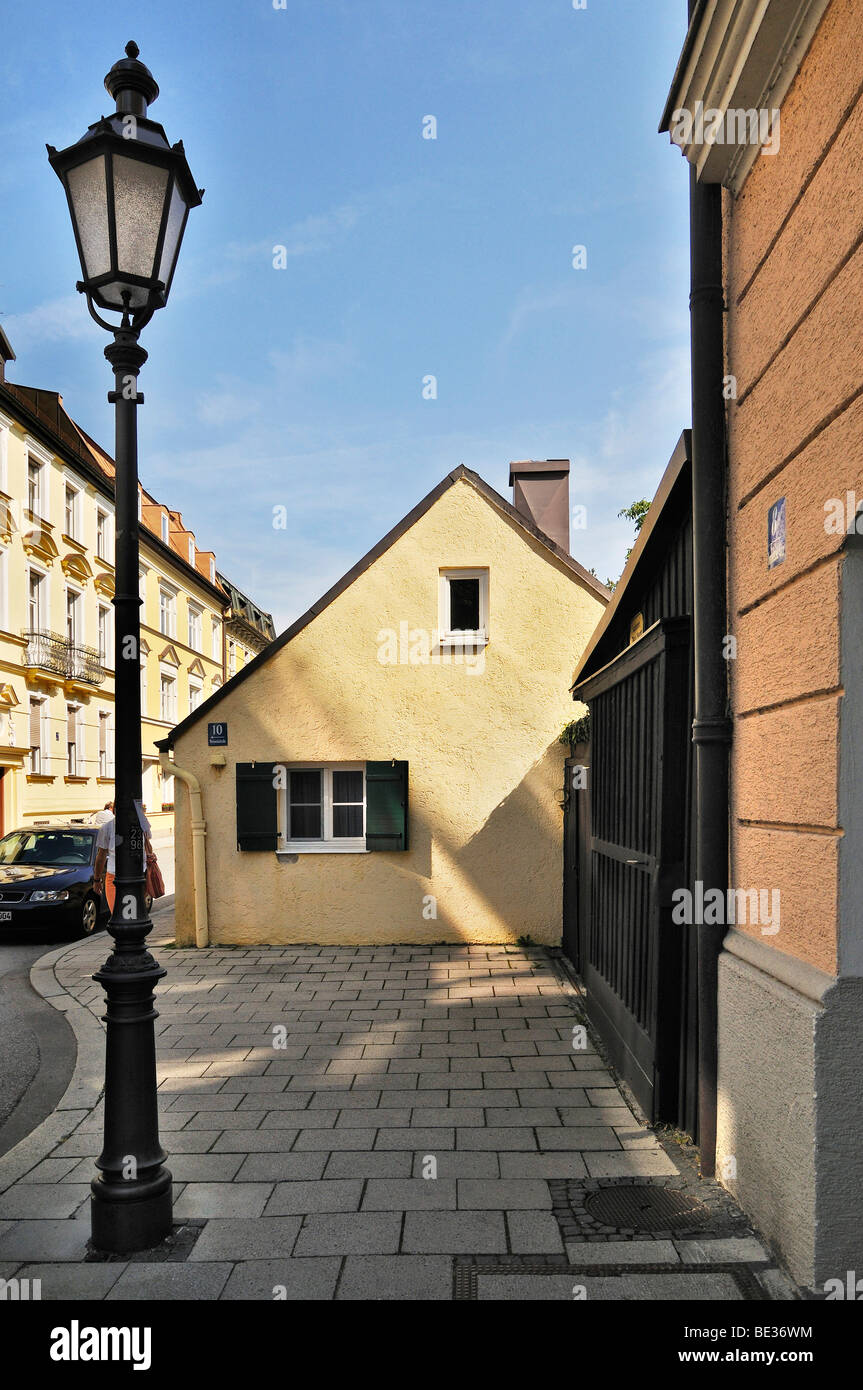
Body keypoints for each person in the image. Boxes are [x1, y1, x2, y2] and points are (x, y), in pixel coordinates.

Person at [93, 802, 152, 914]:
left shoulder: (142, 824)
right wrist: (97, 880)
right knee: (117, 915)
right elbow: (101, 856)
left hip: (138, 877)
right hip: (114, 878)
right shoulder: (107, 828)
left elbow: (148, 846)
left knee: (132, 916)